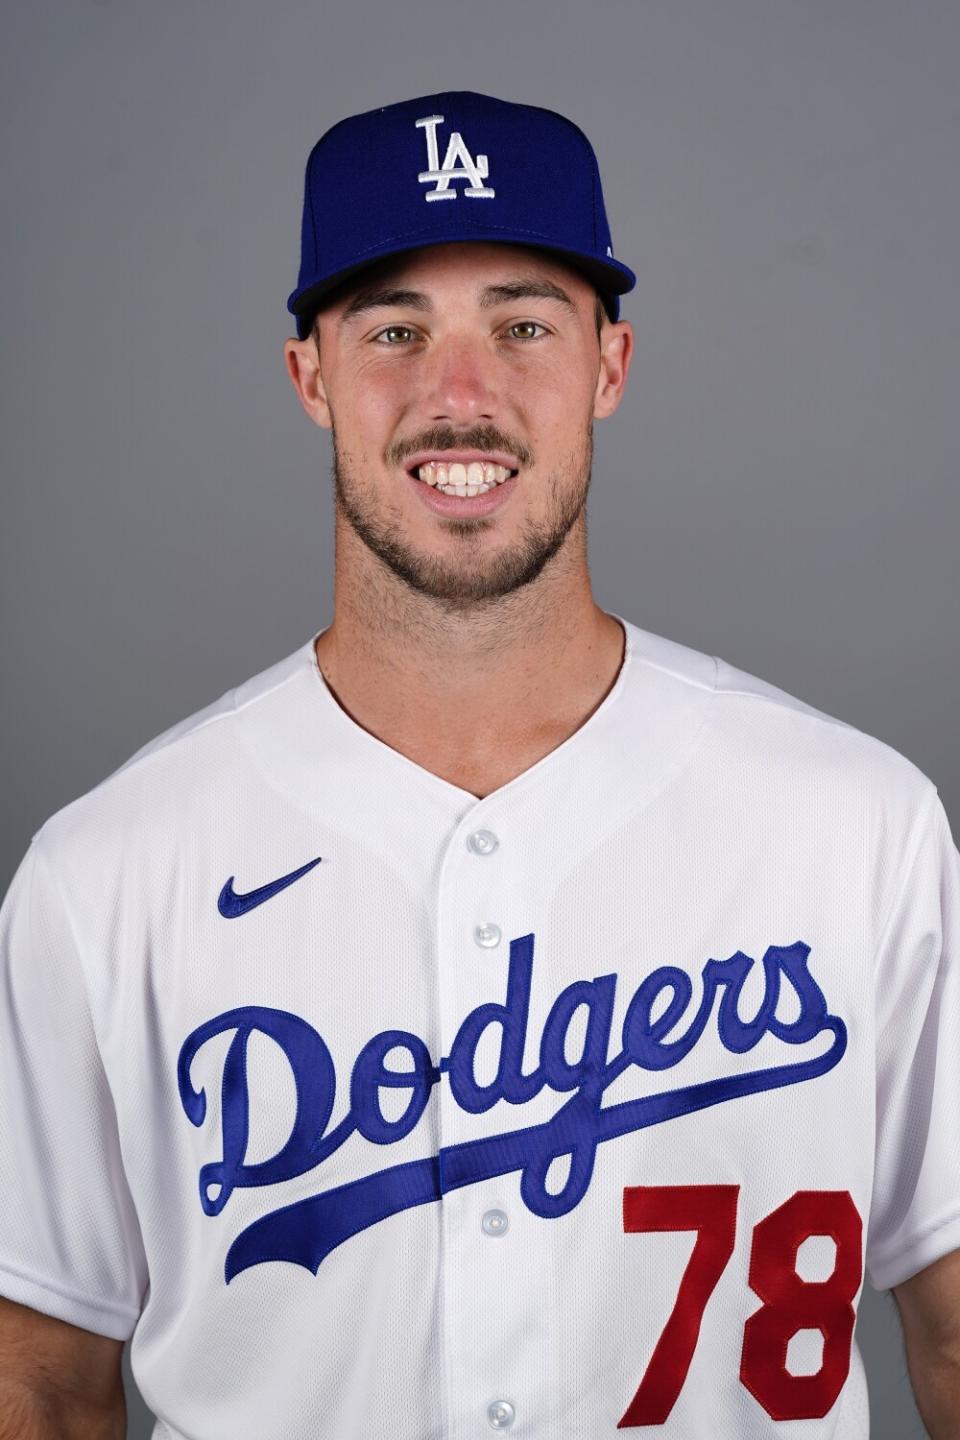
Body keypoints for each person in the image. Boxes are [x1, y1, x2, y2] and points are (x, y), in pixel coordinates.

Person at [0, 89, 958, 1440]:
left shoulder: (861, 829)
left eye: (522, 327)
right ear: (310, 376)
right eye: (395, 331)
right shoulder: (106, 877)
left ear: (610, 367)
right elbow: (36, 1385)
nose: (461, 397)